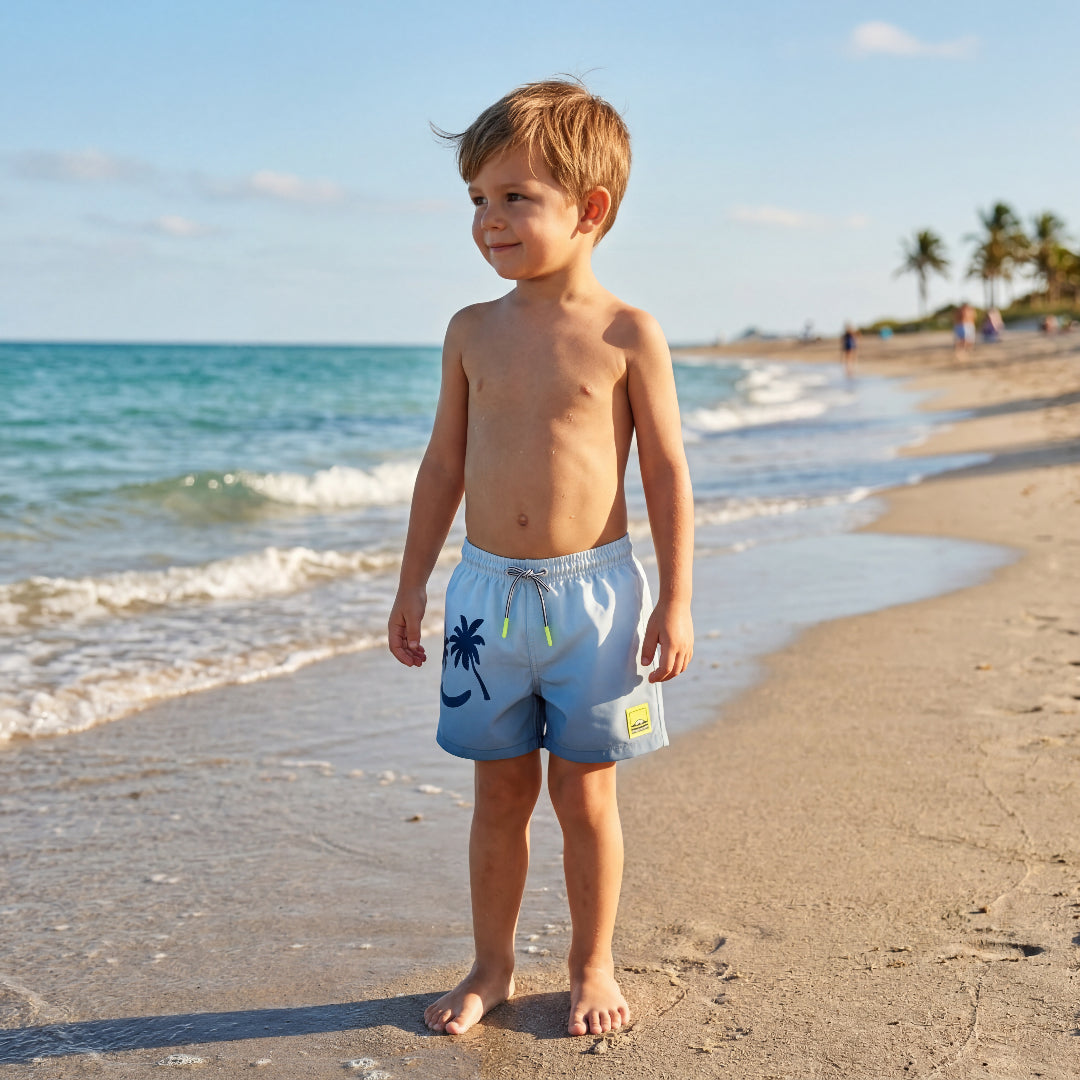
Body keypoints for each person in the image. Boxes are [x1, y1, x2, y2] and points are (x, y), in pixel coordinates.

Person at [388, 79, 694, 1039]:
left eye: (514, 197)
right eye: (477, 198)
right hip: (485, 599)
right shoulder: (471, 331)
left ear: (589, 209)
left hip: (594, 599)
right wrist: (411, 582)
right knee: (499, 793)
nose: (488, 219)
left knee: (585, 793)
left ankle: (592, 963)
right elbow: (443, 465)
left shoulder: (626, 334)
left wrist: (676, 600)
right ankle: (490, 964)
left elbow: (667, 473)